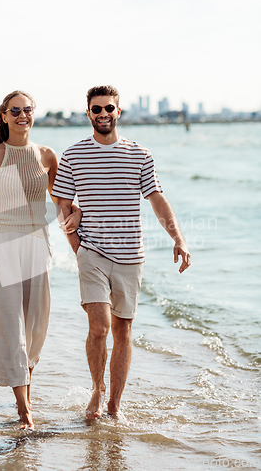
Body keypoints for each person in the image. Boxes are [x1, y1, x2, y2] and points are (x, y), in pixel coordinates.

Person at [52, 85, 191, 420]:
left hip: (131, 255)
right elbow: (61, 202)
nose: (103, 114)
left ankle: (115, 404)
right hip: (92, 253)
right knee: (99, 327)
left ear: (118, 112)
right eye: (96, 109)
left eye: (109, 108)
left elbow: (157, 200)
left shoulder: (140, 155)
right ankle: (97, 393)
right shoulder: (73, 155)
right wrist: (76, 242)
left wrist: (179, 238)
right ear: (88, 113)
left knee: (123, 331)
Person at [0, 90, 81, 429]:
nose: (22, 115)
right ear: (3, 116)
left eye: (27, 109)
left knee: (34, 327)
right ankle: (24, 411)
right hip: (0, 246)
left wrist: (78, 226)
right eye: (15, 110)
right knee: (10, 326)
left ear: (34, 113)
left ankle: (26, 398)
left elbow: (62, 204)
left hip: (37, 246)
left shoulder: (47, 156)